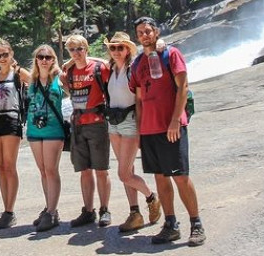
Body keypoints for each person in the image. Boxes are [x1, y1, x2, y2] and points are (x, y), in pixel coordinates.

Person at [130, 17, 205, 247]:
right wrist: (140, 132)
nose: (144, 35)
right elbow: (140, 99)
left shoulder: (171, 54)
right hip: (150, 129)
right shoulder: (137, 63)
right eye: (140, 32)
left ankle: (196, 224)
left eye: (148, 30)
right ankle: (170, 224)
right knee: (160, 178)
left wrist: (175, 120)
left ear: (157, 32)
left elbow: (183, 86)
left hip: (171, 126)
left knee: (180, 176)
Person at [103, 32, 161, 233]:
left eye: (121, 47)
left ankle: (151, 197)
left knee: (123, 173)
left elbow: (140, 98)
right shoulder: (109, 69)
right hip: (113, 123)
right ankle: (134, 212)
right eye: (113, 47)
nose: (117, 51)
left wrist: (141, 128)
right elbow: (86, 60)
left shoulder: (133, 68)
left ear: (128, 49)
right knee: (128, 171)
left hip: (129, 122)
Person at [61, 34, 112, 228]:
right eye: (72, 50)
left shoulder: (99, 68)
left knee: (101, 170)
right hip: (78, 124)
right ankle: (88, 210)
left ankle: (104, 209)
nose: (76, 53)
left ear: (87, 48)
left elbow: (110, 62)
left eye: (80, 48)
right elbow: (65, 84)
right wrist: (70, 62)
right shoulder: (68, 73)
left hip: (98, 123)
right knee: (84, 171)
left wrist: (89, 58)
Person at [0, 39, 31, 229]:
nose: (2, 58)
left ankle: (10, 211)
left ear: (11, 54)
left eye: (5, 54)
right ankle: (6, 210)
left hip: (11, 120)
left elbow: (36, 81)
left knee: (10, 166)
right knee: (0, 167)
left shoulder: (18, 73)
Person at [26, 44, 66, 232]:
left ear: (53, 60)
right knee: (43, 171)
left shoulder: (60, 78)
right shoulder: (31, 80)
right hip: (34, 130)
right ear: (36, 60)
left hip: (53, 130)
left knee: (51, 170)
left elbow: (88, 60)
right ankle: (49, 207)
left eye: (48, 57)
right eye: (40, 57)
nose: (44, 60)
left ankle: (51, 212)